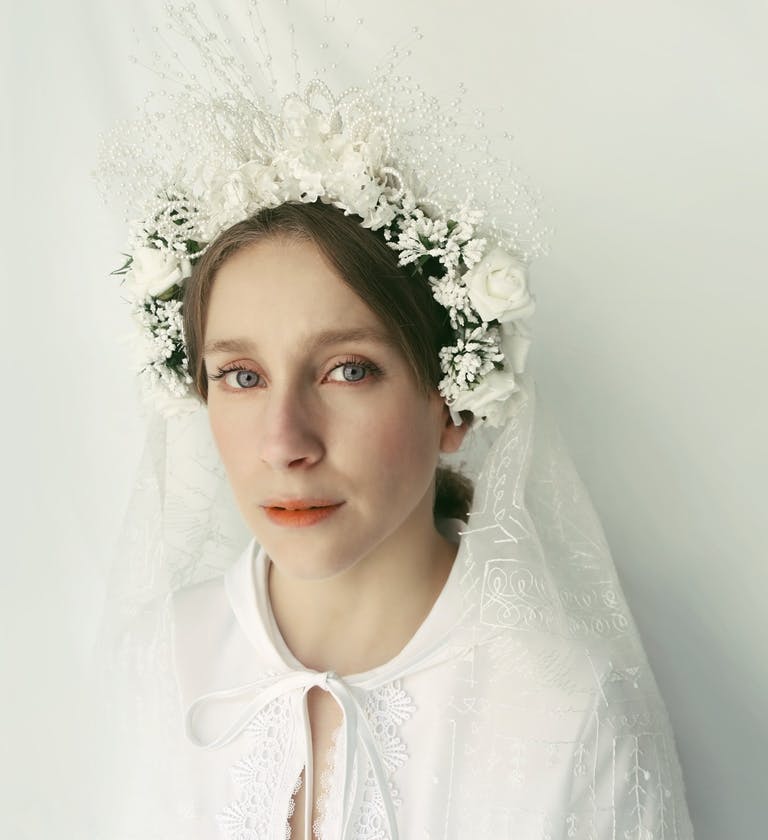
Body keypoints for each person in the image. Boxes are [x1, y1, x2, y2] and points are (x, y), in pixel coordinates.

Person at [95, 5, 695, 839]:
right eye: (240, 375)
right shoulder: (166, 656)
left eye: (349, 370)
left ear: (451, 401)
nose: (284, 443)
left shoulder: (561, 712)